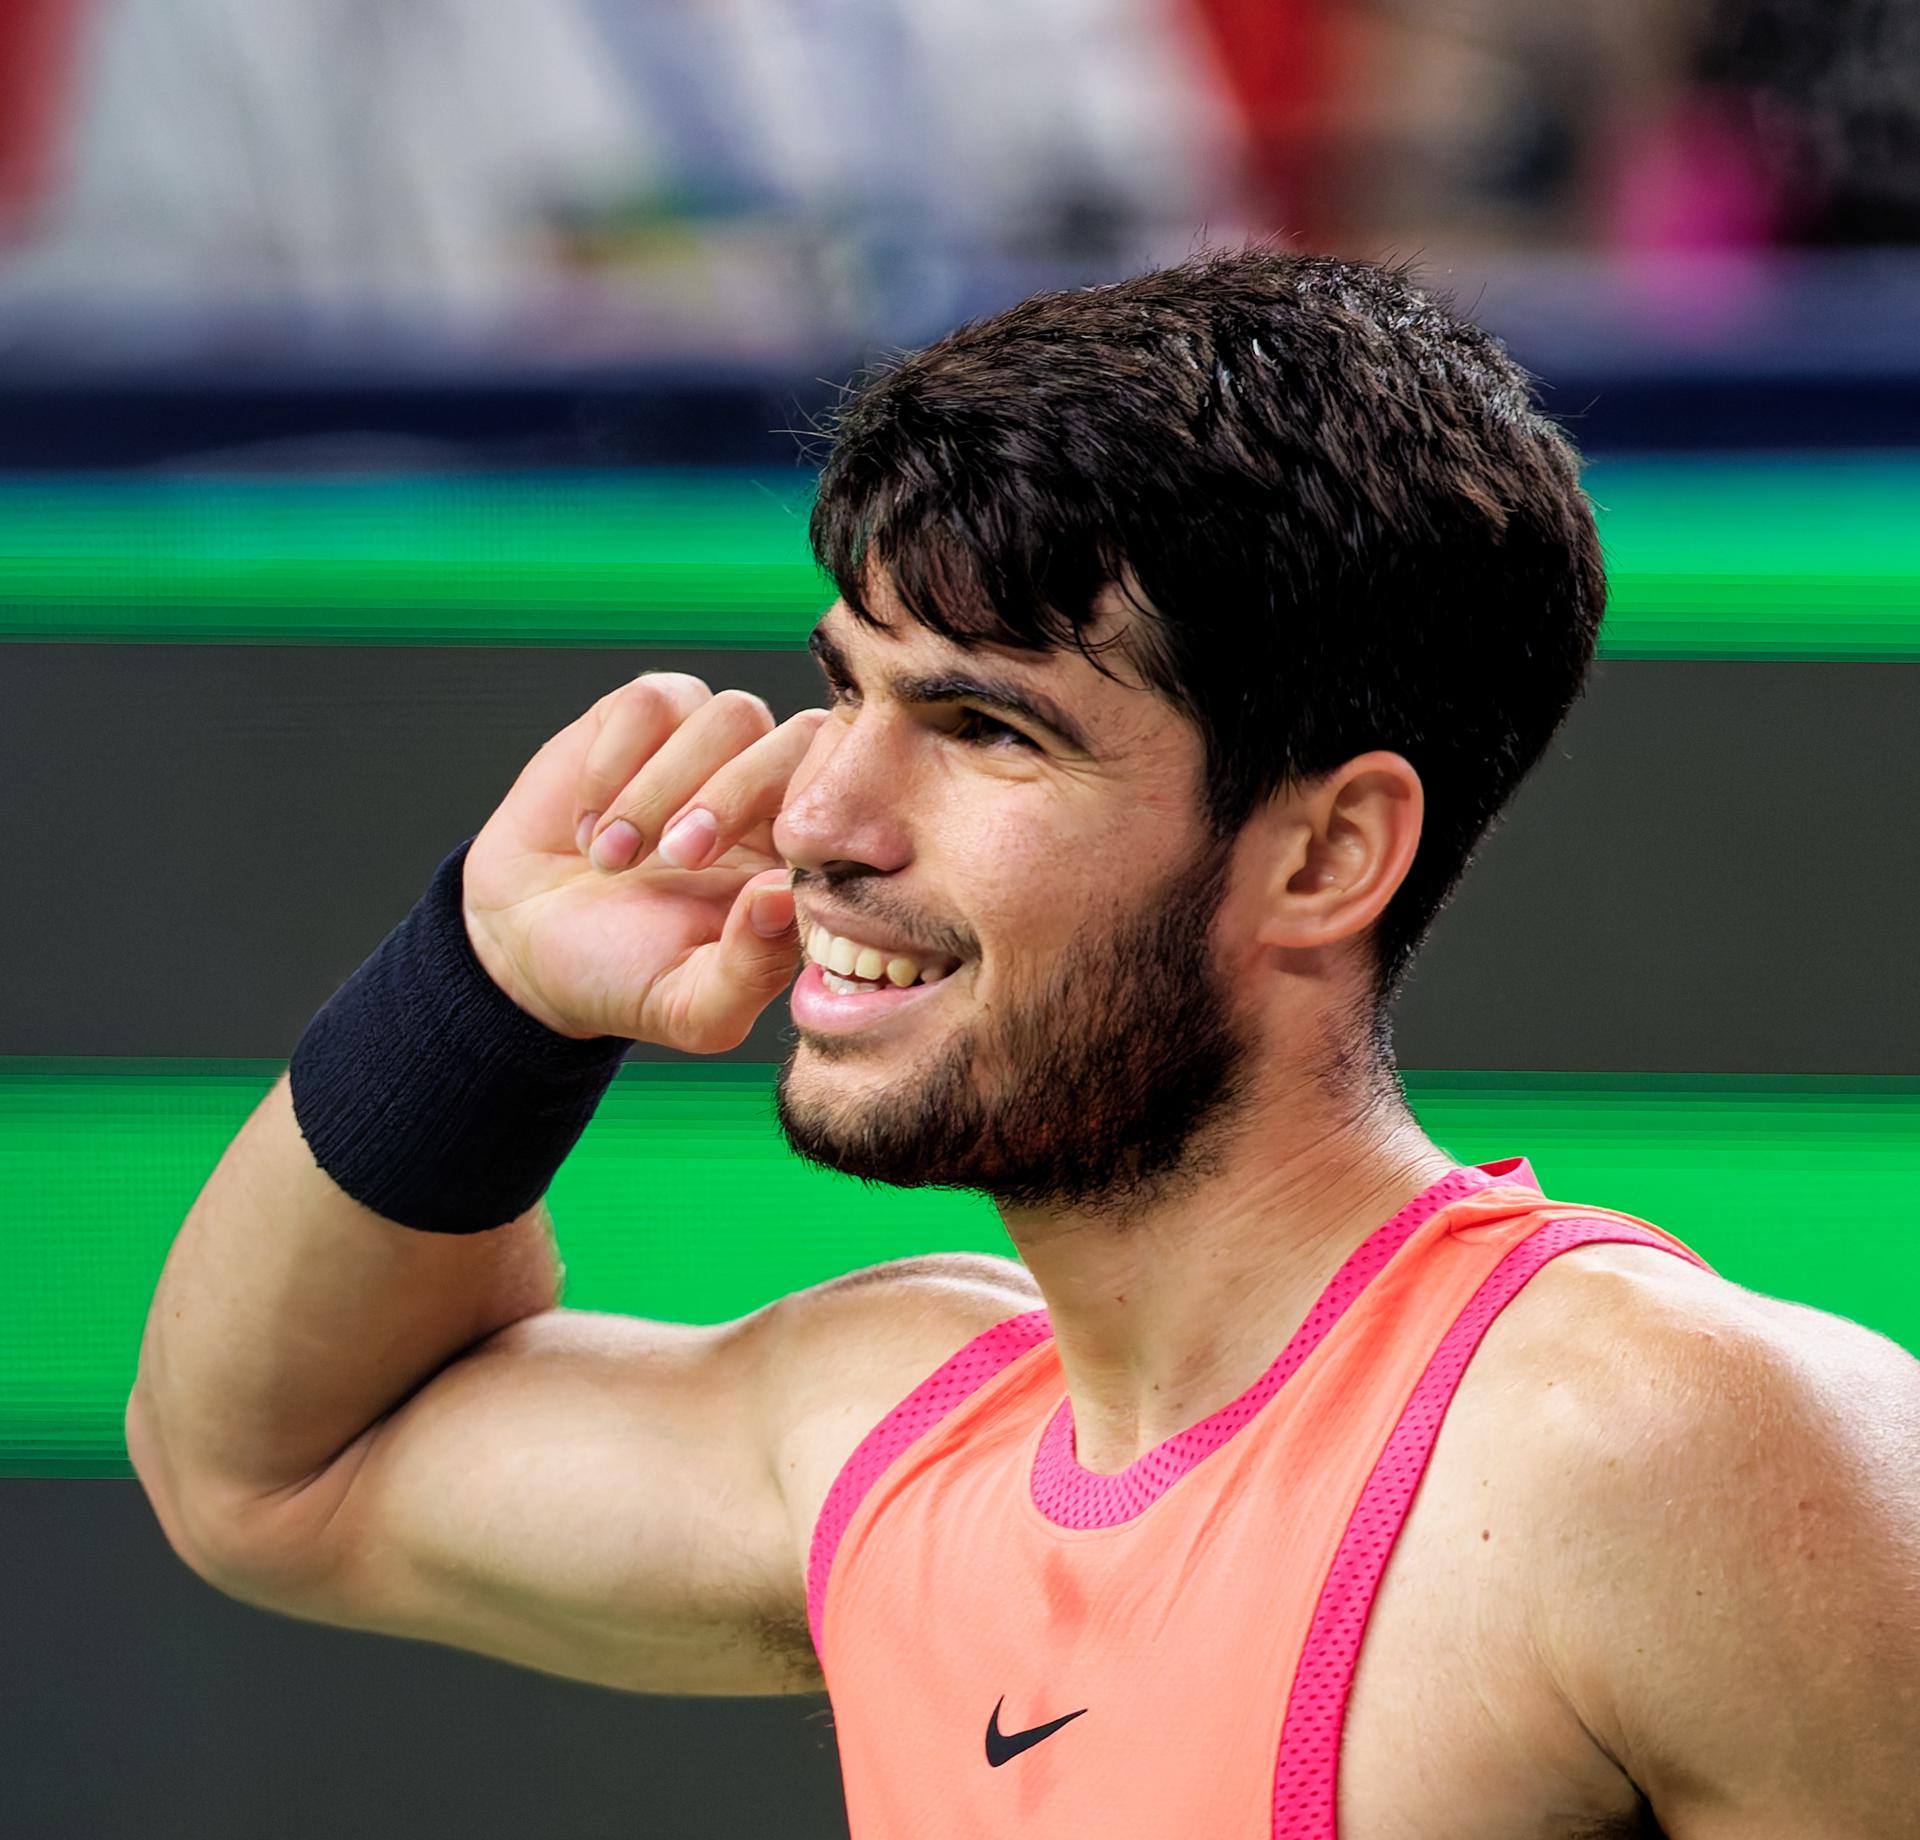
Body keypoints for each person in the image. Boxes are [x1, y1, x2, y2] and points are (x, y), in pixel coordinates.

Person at [127, 248, 1920, 1838]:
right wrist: (486, 990)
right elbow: (267, 1471)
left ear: (1324, 853)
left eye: (985, 728)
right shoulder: (897, 1429)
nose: (820, 812)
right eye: (848, 686)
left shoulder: (1671, 1454)